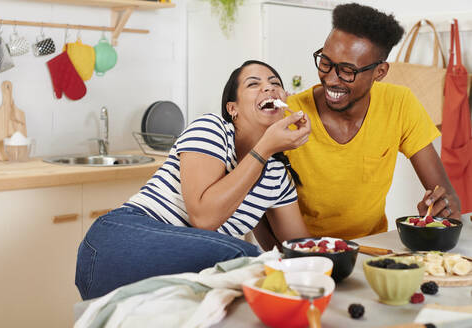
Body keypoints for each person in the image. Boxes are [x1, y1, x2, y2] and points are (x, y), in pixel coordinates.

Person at [75, 60, 312, 300]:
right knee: (242, 260)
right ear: (233, 109)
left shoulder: (276, 176)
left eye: (275, 84)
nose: (269, 88)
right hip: (117, 240)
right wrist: (263, 149)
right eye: (254, 83)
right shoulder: (211, 129)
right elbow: (204, 217)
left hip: (179, 265)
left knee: (255, 269)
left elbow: (302, 250)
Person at [272, 3, 461, 241]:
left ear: (380, 72)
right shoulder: (291, 113)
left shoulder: (399, 103)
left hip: (372, 248)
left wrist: (438, 210)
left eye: (347, 71)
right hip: (305, 254)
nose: (330, 79)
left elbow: (448, 200)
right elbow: (262, 205)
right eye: (325, 62)